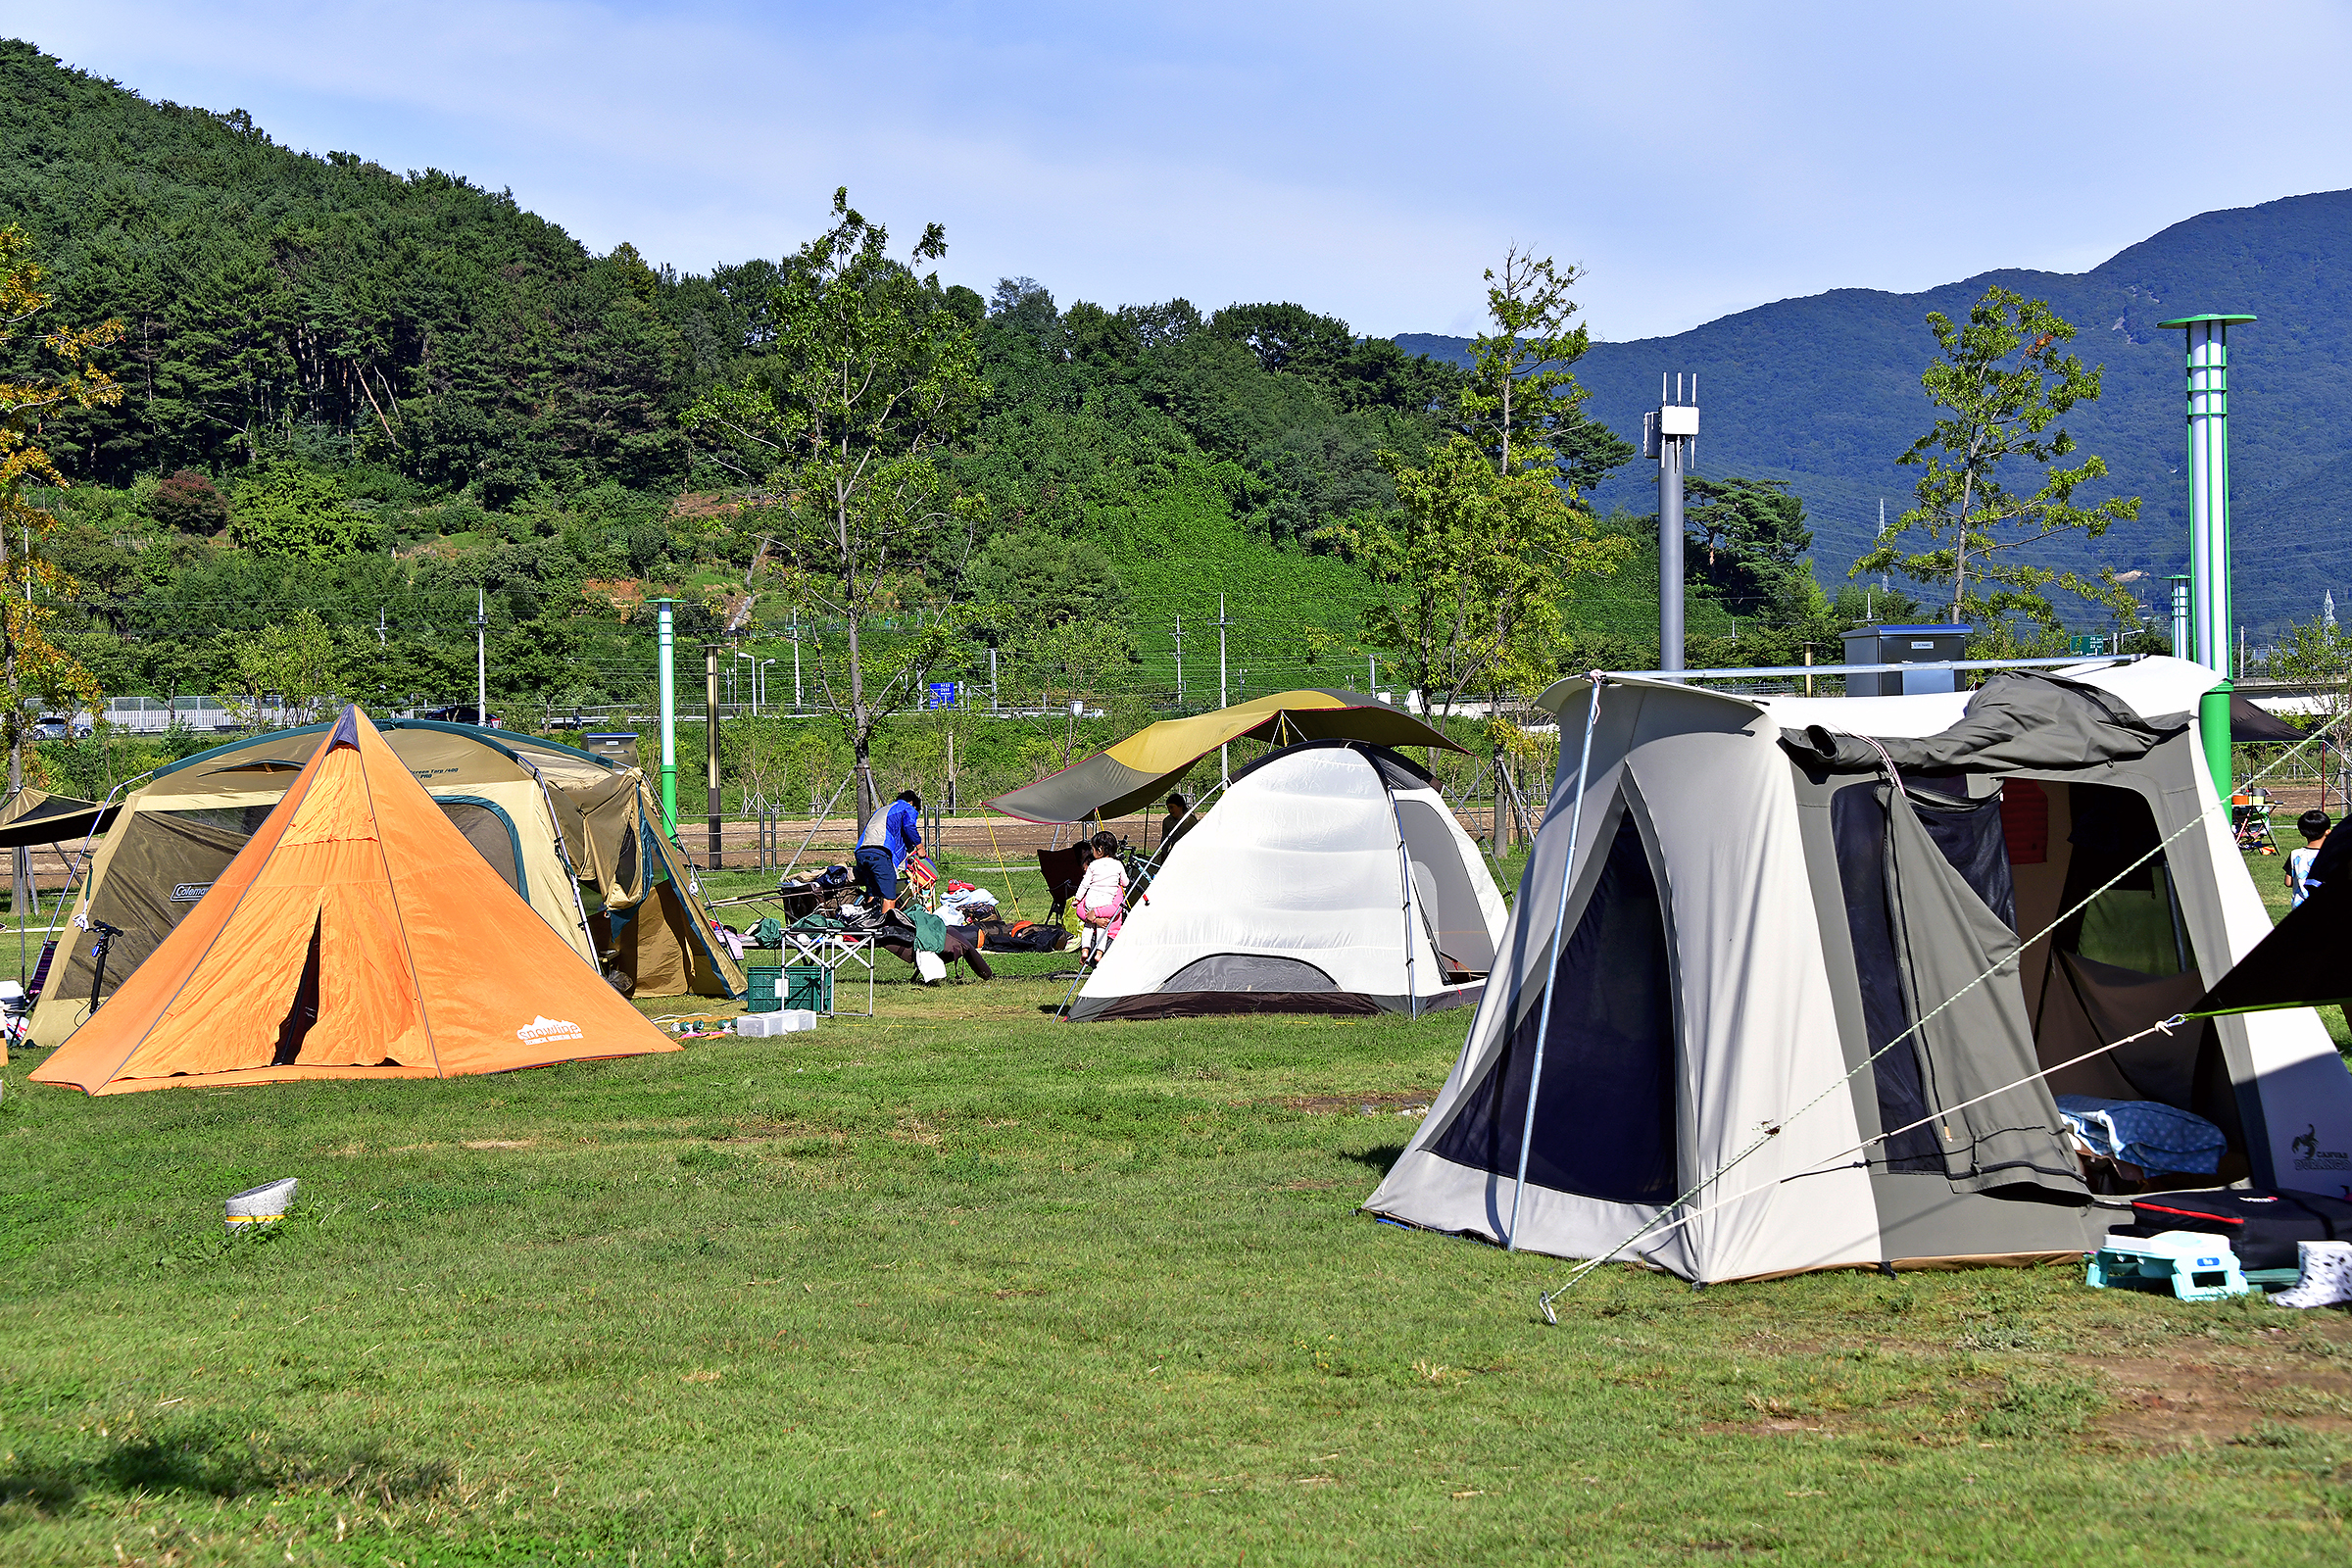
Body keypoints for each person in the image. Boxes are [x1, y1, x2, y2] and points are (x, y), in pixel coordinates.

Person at [854, 789, 923, 915]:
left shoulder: (882, 810)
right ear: (912, 802)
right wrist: (920, 847)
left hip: (861, 852)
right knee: (889, 895)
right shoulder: (907, 807)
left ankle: (868, 919)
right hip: (879, 852)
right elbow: (909, 827)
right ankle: (886, 928)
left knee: (873, 892)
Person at [1072, 830, 1127, 966]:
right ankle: (1098, 954)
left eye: (1093, 849)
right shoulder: (1117, 874)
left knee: (1089, 928)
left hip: (1109, 936)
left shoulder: (1093, 881)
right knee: (1101, 928)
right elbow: (1126, 883)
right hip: (1102, 930)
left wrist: (1078, 899)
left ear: (1100, 850)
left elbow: (1083, 887)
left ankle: (1085, 950)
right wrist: (1096, 918)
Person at [2288, 809, 2331, 910]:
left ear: (2302, 832)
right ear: (2328, 831)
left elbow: (2288, 882)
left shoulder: (2295, 853)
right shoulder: (2330, 854)